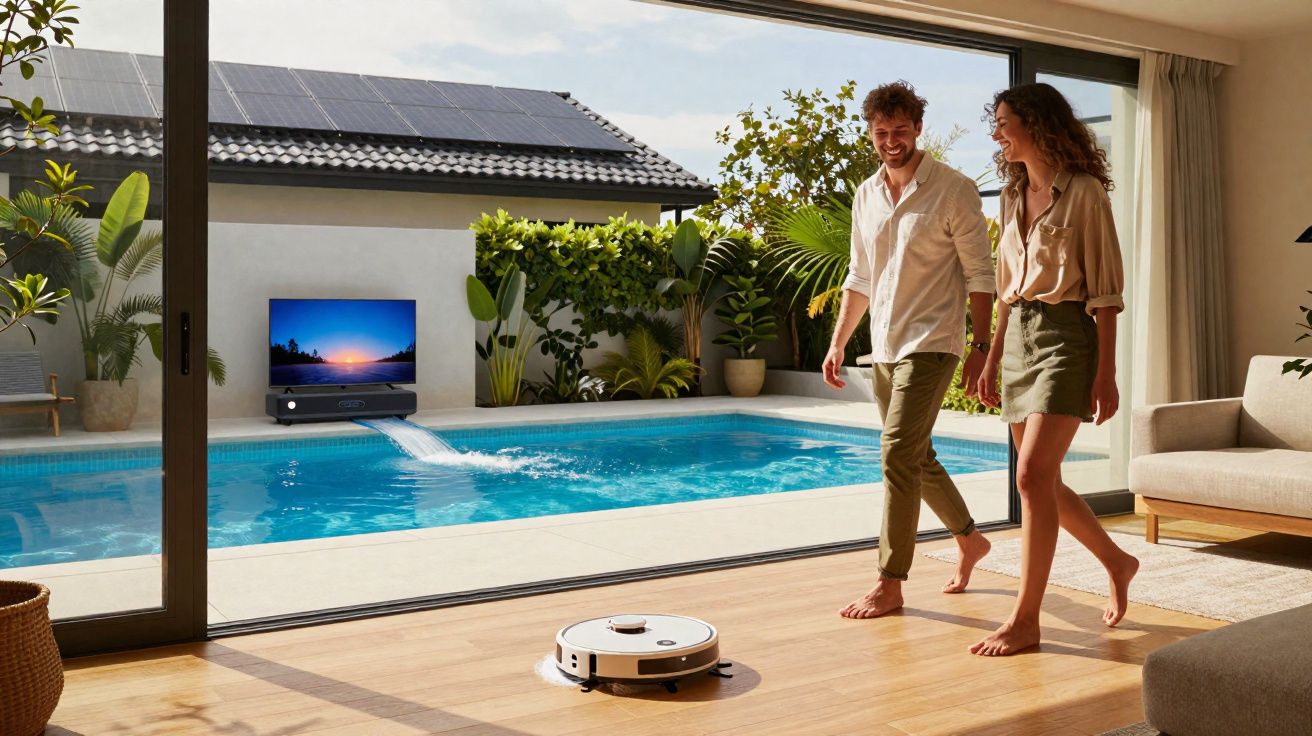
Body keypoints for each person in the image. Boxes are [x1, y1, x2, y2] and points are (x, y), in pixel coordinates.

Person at [973, 82, 1139, 656]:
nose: (997, 133)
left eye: (1004, 122)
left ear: (1036, 124)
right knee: (1042, 480)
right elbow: (1005, 290)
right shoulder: (1010, 195)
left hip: (1068, 337)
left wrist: (1106, 372)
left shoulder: (1085, 192)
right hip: (1018, 340)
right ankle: (1117, 561)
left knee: (1030, 478)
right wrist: (992, 356)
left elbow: (1107, 294)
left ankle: (1025, 619)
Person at [825, 80, 995, 619]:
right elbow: (860, 276)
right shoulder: (866, 195)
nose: (891, 141)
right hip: (885, 346)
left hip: (934, 341)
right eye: (881, 132)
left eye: (900, 130)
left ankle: (890, 581)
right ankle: (970, 539)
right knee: (917, 456)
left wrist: (981, 345)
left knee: (897, 454)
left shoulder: (954, 189)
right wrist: (838, 342)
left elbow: (980, 275)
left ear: (919, 128)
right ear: (871, 133)